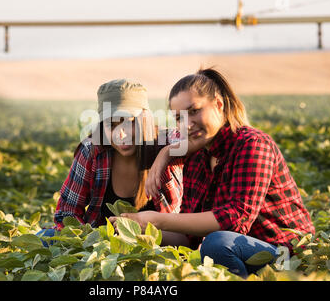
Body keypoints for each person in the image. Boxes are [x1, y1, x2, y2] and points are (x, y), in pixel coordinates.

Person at [110, 68, 315, 278]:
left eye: (194, 111)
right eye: (179, 118)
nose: (187, 125)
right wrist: (139, 230)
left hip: (287, 254)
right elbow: (190, 238)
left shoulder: (252, 144)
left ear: (218, 104)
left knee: (216, 245)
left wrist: (156, 220)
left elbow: (236, 219)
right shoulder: (197, 158)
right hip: (242, 252)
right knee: (208, 248)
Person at [38, 79, 183, 245]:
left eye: (129, 123)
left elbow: (200, 137)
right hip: (103, 248)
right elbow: (67, 212)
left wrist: (166, 153)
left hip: (161, 246)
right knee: (44, 237)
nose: (120, 134)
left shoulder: (164, 143)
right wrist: (92, 243)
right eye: (111, 125)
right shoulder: (93, 150)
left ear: (145, 119)